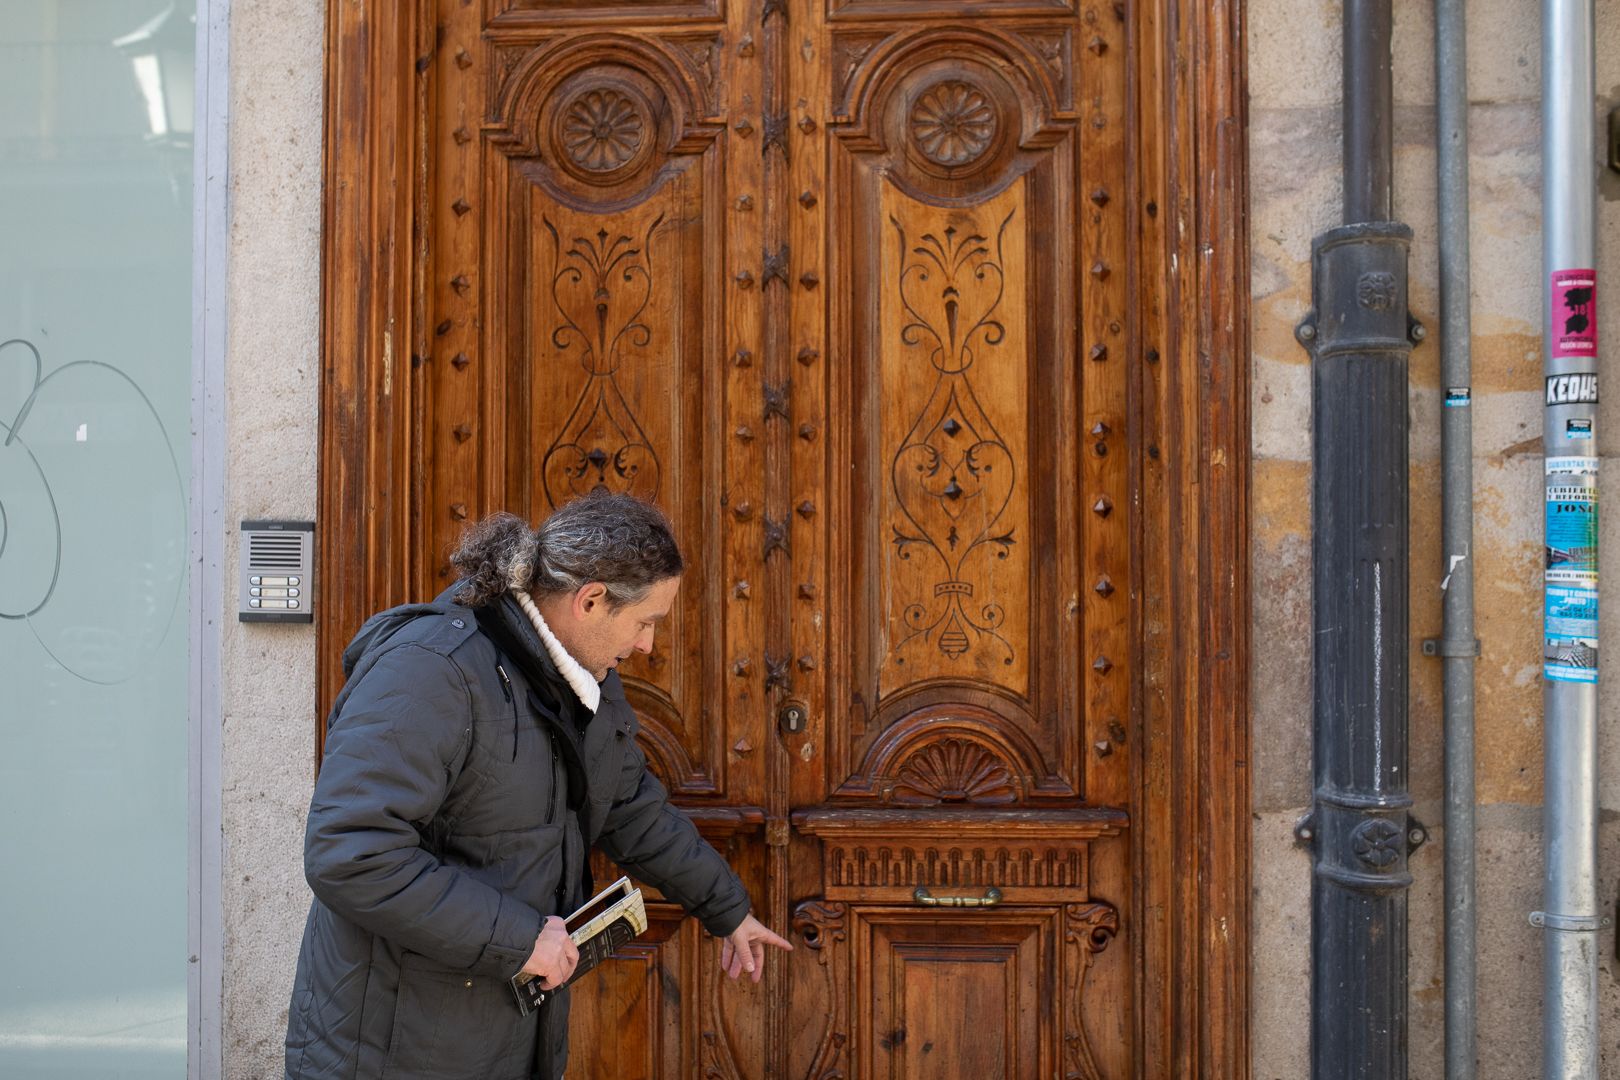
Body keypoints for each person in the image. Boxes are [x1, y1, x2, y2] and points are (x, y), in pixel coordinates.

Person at [284, 490, 791, 1079]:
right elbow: (350, 853)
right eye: (645, 622)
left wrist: (726, 908)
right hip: (393, 1048)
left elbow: (630, 807)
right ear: (591, 600)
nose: (647, 645)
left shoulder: (580, 678)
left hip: (499, 1028)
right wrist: (521, 939)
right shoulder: (431, 670)